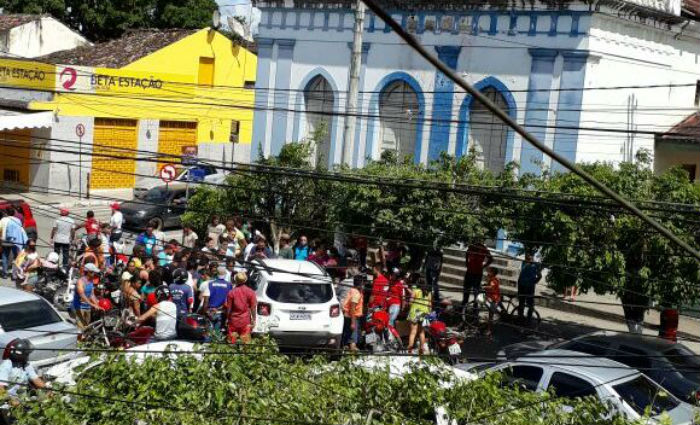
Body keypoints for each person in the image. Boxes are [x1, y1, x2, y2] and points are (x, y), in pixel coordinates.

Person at [0, 339, 46, 404]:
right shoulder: (6, 366)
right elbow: (1, 388)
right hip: (8, 400)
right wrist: (11, 400)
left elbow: (35, 379)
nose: (27, 356)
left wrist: (47, 389)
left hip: (22, 397)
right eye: (26, 354)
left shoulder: (25, 364)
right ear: (20, 355)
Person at [224, 272, 257, 344]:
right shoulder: (251, 292)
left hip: (233, 321)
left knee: (231, 343)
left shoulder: (231, 292)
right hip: (245, 321)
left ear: (236, 281)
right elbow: (253, 308)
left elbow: (229, 308)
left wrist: (227, 318)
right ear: (245, 280)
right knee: (245, 344)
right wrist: (254, 319)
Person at [199, 266, 232, 330]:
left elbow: (206, 300)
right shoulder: (229, 285)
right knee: (217, 335)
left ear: (216, 274)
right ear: (225, 274)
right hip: (221, 312)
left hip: (210, 312)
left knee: (208, 333)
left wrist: (204, 313)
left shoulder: (210, 284)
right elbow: (229, 301)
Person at [71, 263, 103, 329]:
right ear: (89, 272)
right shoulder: (80, 282)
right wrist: (92, 305)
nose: (95, 274)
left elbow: (91, 295)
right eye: (94, 272)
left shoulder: (91, 281)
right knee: (81, 329)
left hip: (87, 307)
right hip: (79, 308)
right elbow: (82, 295)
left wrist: (97, 305)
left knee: (87, 327)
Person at [463, 241, 493, 308]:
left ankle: (475, 310)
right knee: (466, 291)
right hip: (470, 272)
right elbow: (467, 253)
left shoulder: (483, 248)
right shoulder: (472, 246)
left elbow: (491, 258)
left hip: (477, 273)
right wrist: (466, 262)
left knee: (475, 293)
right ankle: (464, 307)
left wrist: (484, 266)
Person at [406, 278, 432, 355]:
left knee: (413, 332)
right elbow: (430, 305)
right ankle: (422, 350)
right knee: (422, 332)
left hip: (415, 312)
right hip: (424, 313)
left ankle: (409, 350)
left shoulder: (415, 291)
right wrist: (428, 313)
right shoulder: (428, 292)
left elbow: (411, 302)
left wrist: (411, 306)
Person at [341, 274, 365, 351]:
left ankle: (347, 350)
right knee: (353, 340)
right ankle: (353, 354)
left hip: (348, 316)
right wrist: (353, 322)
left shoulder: (353, 290)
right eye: (363, 283)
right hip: (352, 317)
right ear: (361, 283)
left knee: (348, 337)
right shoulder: (356, 294)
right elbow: (352, 308)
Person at [1, 208, 26, 279]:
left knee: (5, 256)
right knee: (16, 257)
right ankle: (14, 274)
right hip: (16, 241)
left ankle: (5, 273)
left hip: (5, 240)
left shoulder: (3, 220)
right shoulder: (17, 220)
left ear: (6, 213)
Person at [517, 252, 542, 323]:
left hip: (522, 286)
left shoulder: (524, 264)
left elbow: (520, 277)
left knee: (522, 303)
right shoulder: (534, 265)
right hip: (528, 287)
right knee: (530, 304)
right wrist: (534, 282)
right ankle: (528, 319)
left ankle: (521, 318)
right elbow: (540, 276)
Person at [483, 266, 504, 337]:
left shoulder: (494, 280)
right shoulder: (491, 279)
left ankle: (489, 330)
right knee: (490, 314)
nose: (488, 272)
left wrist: (484, 287)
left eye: (489, 271)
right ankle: (489, 328)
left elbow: (491, 287)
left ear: (493, 273)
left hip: (494, 299)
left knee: (491, 314)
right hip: (492, 298)